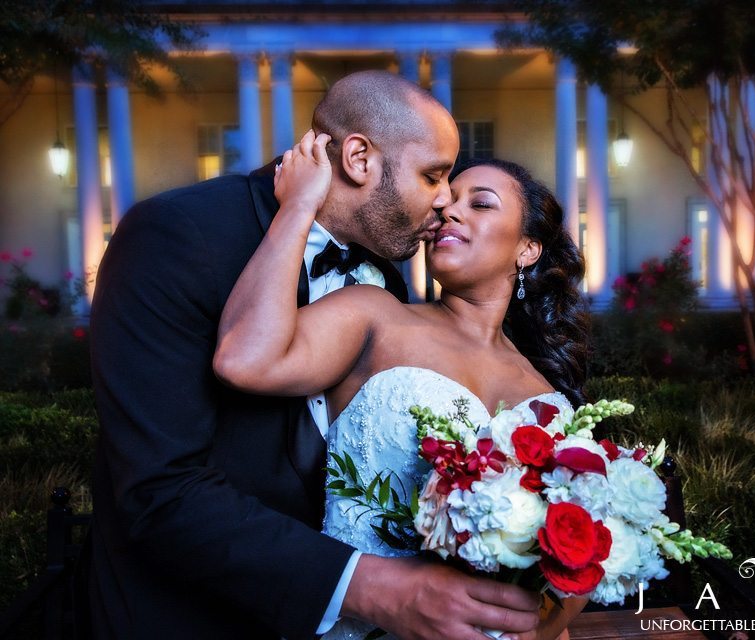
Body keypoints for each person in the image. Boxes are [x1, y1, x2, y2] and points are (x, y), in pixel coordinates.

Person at [85, 70, 542, 639]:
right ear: (358, 158)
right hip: (187, 619)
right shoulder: (178, 234)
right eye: (434, 175)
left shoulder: (385, 283)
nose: (447, 199)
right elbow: (159, 490)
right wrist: (370, 588)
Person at [214, 131, 592, 639]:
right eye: (446, 201)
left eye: (479, 203)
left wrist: (536, 631)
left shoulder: (546, 393)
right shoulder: (374, 315)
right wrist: (298, 208)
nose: (448, 213)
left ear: (527, 248)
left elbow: (579, 559)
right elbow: (244, 359)